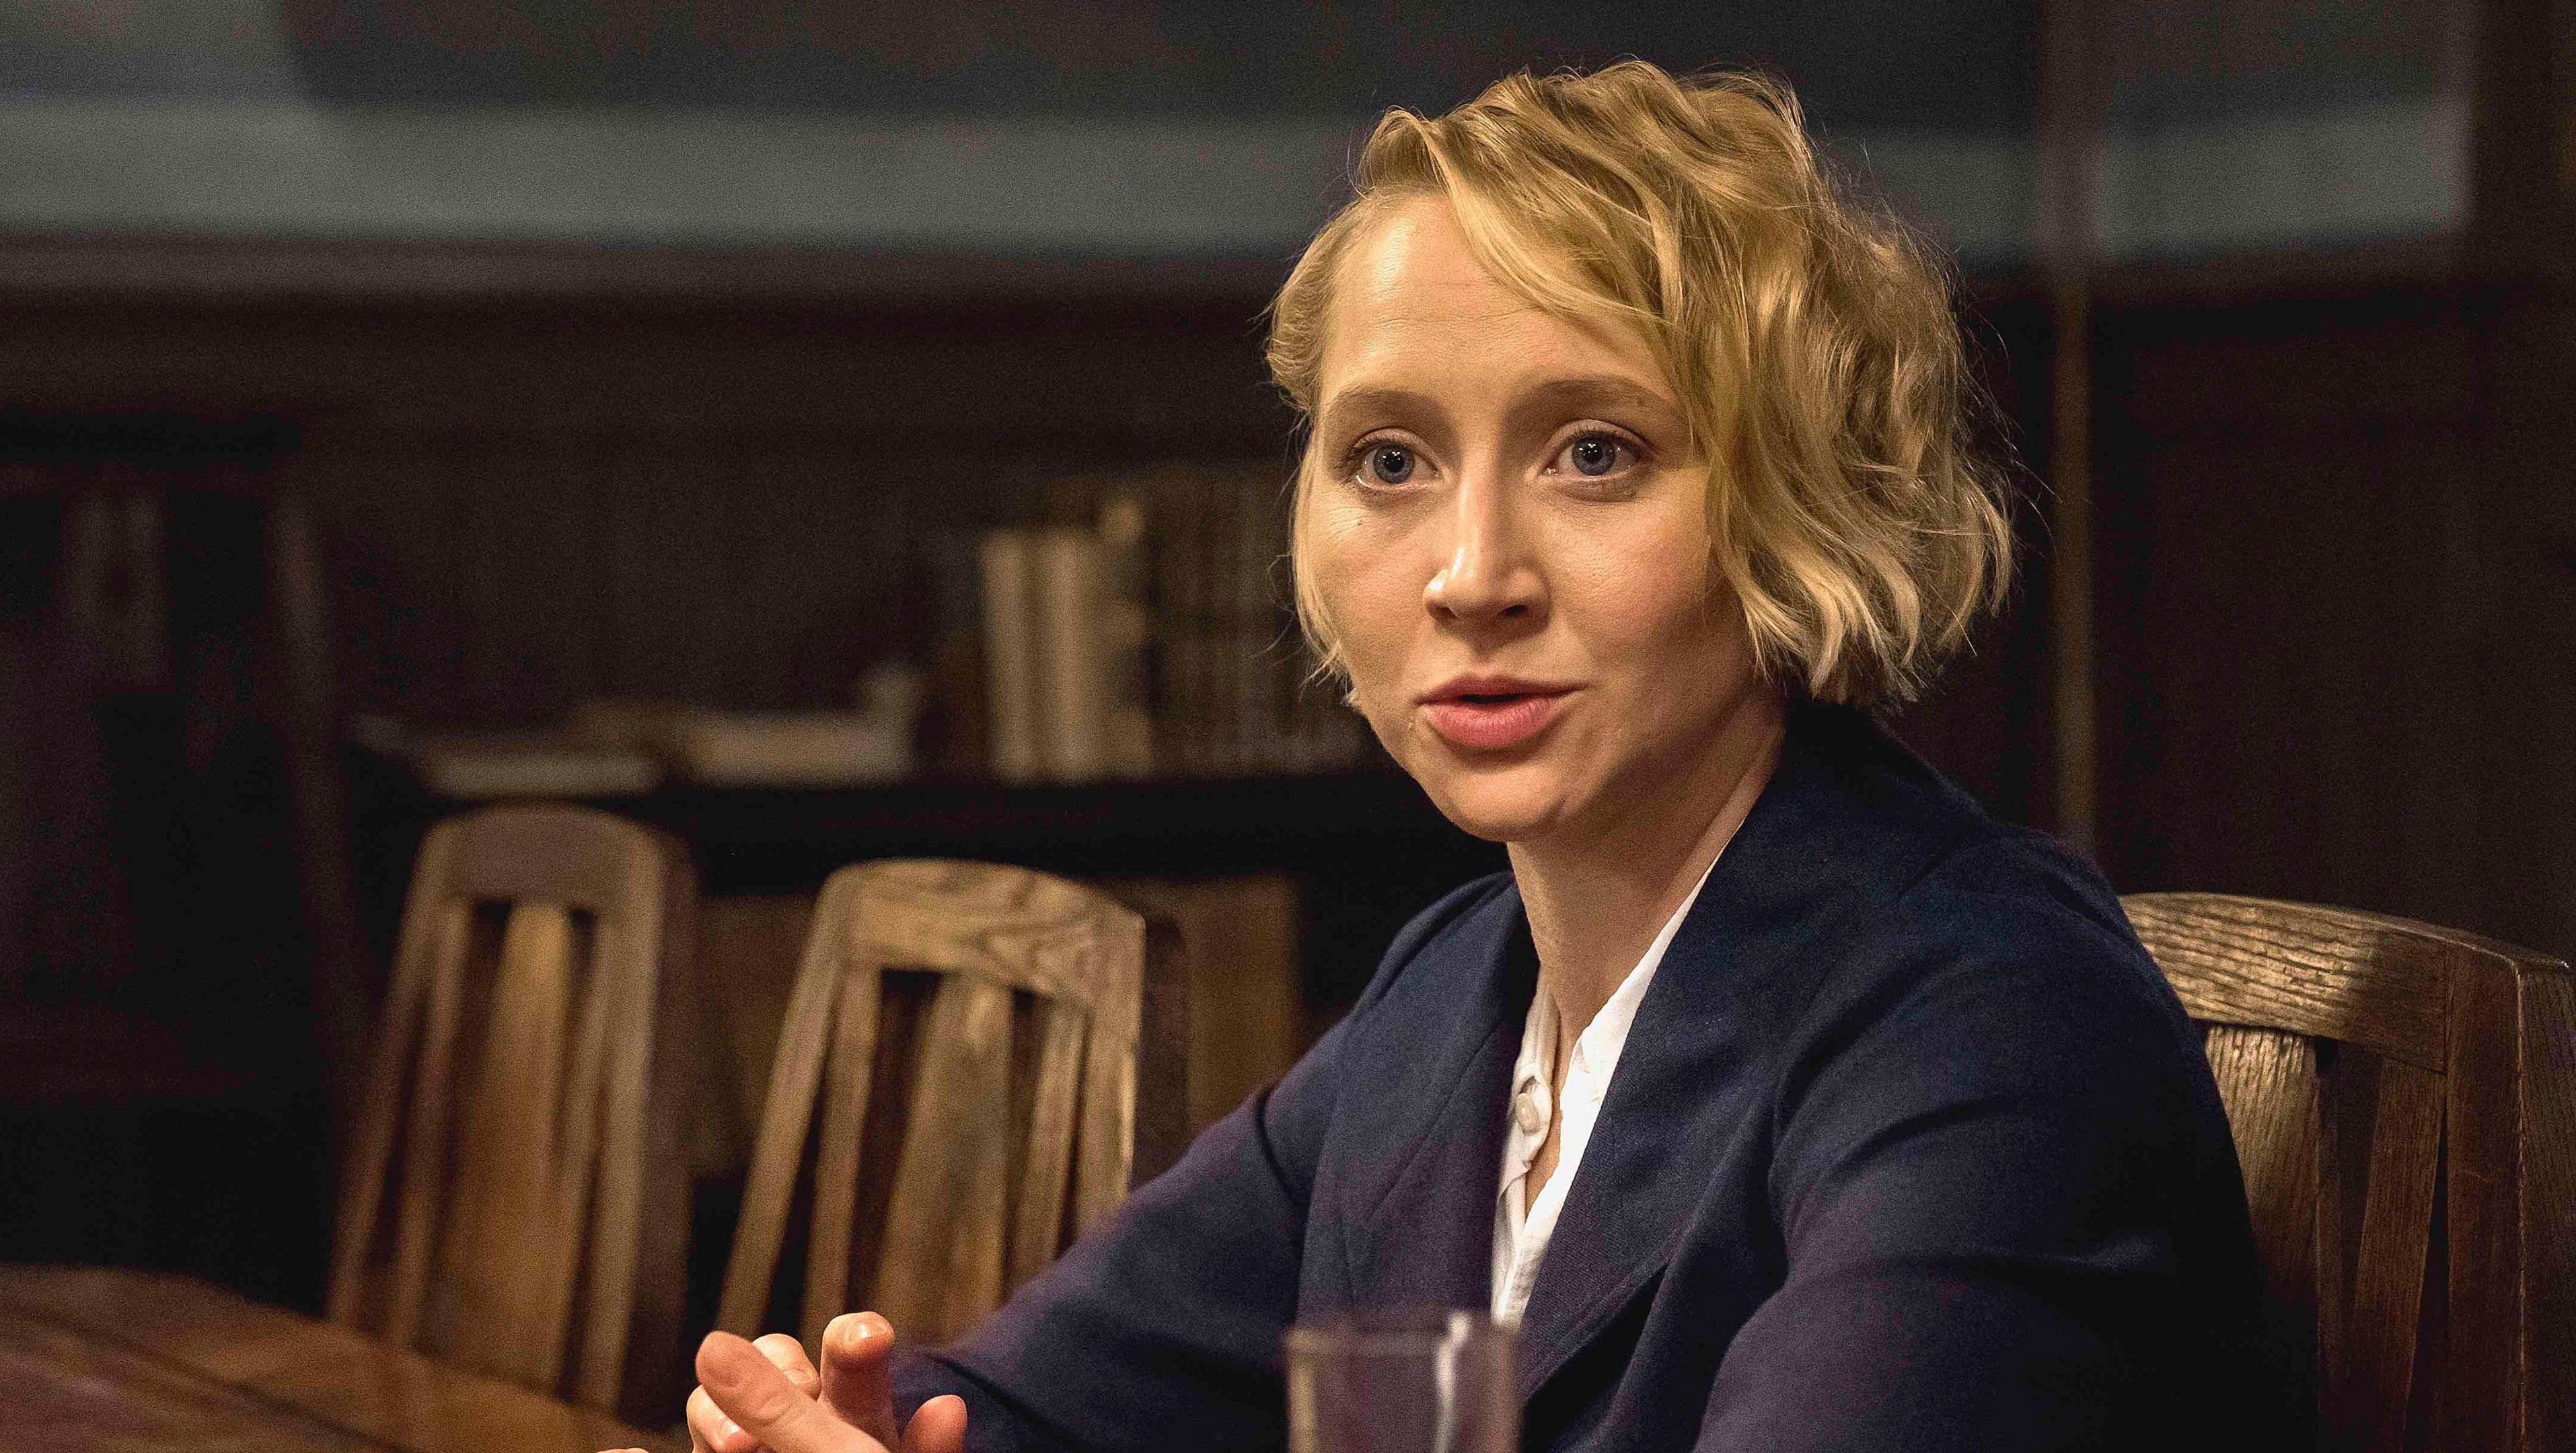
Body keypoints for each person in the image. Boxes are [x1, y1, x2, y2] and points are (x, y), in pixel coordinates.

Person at [633, 61, 2275, 1453]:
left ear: (1798, 507)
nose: (1470, 574)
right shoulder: (1453, 993)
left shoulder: (1996, 1025)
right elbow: (1026, 1413)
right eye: (1390, 459)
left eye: (1595, 452)